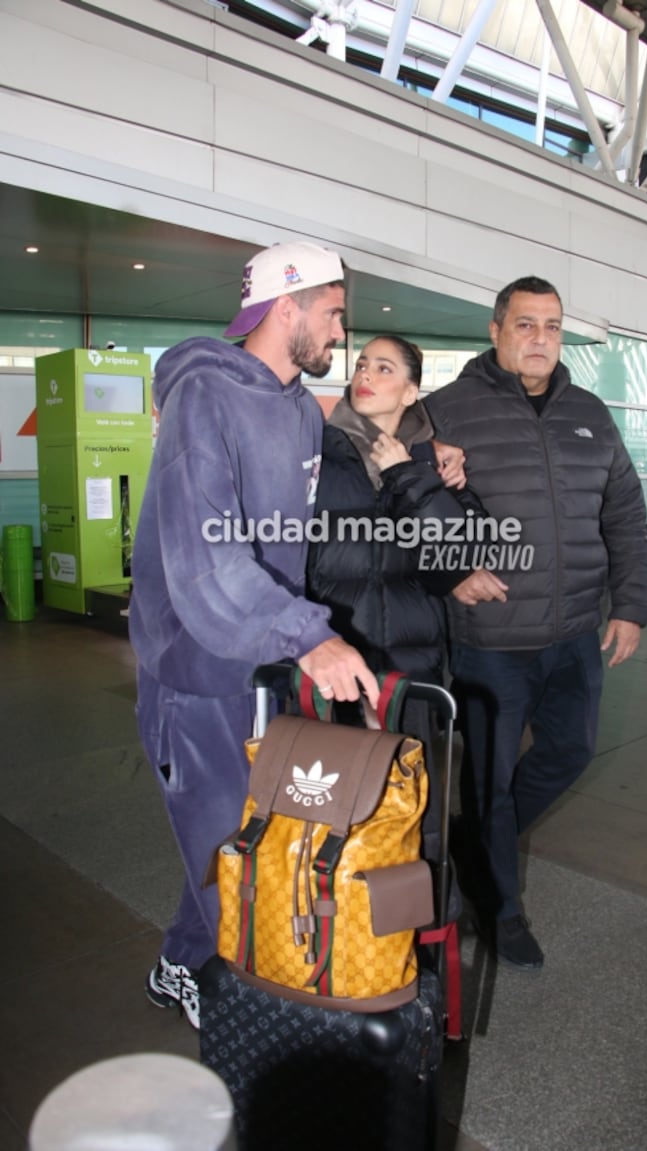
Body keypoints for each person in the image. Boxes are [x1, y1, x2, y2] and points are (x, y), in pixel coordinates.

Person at [129, 241, 379, 1029]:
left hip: (257, 666)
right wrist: (309, 636)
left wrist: (425, 449)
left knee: (241, 834)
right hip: (194, 670)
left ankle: (176, 962)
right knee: (225, 846)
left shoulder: (298, 407)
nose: (341, 332)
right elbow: (206, 565)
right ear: (288, 307)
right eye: (334, 314)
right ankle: (220, 989)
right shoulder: (205, 397)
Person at [425, 275, 647, 969]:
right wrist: (447, 570)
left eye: (550, 325)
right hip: (491, 640)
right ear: (495, 330)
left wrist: (631, 605)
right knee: (488, 780)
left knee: (569, 752)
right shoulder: (442, 410)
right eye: (524, 324)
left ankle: (476, 844)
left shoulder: (588, 412)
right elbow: (401, 509)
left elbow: (623, 512)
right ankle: (501, 908)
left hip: (576, 630)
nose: (539, 338)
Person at [306, 335, 480, 898]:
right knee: (330, 805)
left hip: (411, 668)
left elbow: (456, 554)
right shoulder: (317, 453)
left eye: (384, 368)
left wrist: (410, 473)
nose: (366, 375)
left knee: (413, 804)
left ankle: (416, 934)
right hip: (335, 663)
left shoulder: (433, 464)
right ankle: (332, 934)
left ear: (410, 389)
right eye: (361, 365)